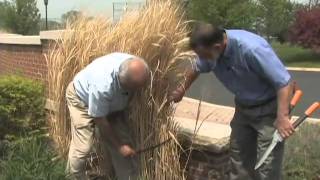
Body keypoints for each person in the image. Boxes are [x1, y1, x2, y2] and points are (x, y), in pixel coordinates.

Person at [169, 23, 294, 180]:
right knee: (239, 159)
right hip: (243, 108)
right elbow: (196, 68)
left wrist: (282, 117)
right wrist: (181, 89)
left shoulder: (252, 49)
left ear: (218, 46)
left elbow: (284, 83)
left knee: (267, 166)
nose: (203, 60)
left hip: (269, 110)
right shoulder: (209, 51)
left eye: (205, 56)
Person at [66, 52, 150, 180]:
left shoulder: (136, 65)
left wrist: (122, 146)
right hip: (81, 99)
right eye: (136, 88)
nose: (139, 90)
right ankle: (72, 176)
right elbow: (101, 121)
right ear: (124, 86)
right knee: (83, 147)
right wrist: (119, 147)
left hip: (112, 105)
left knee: (124, 141)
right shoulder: (102, 86)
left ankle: (127, 177)